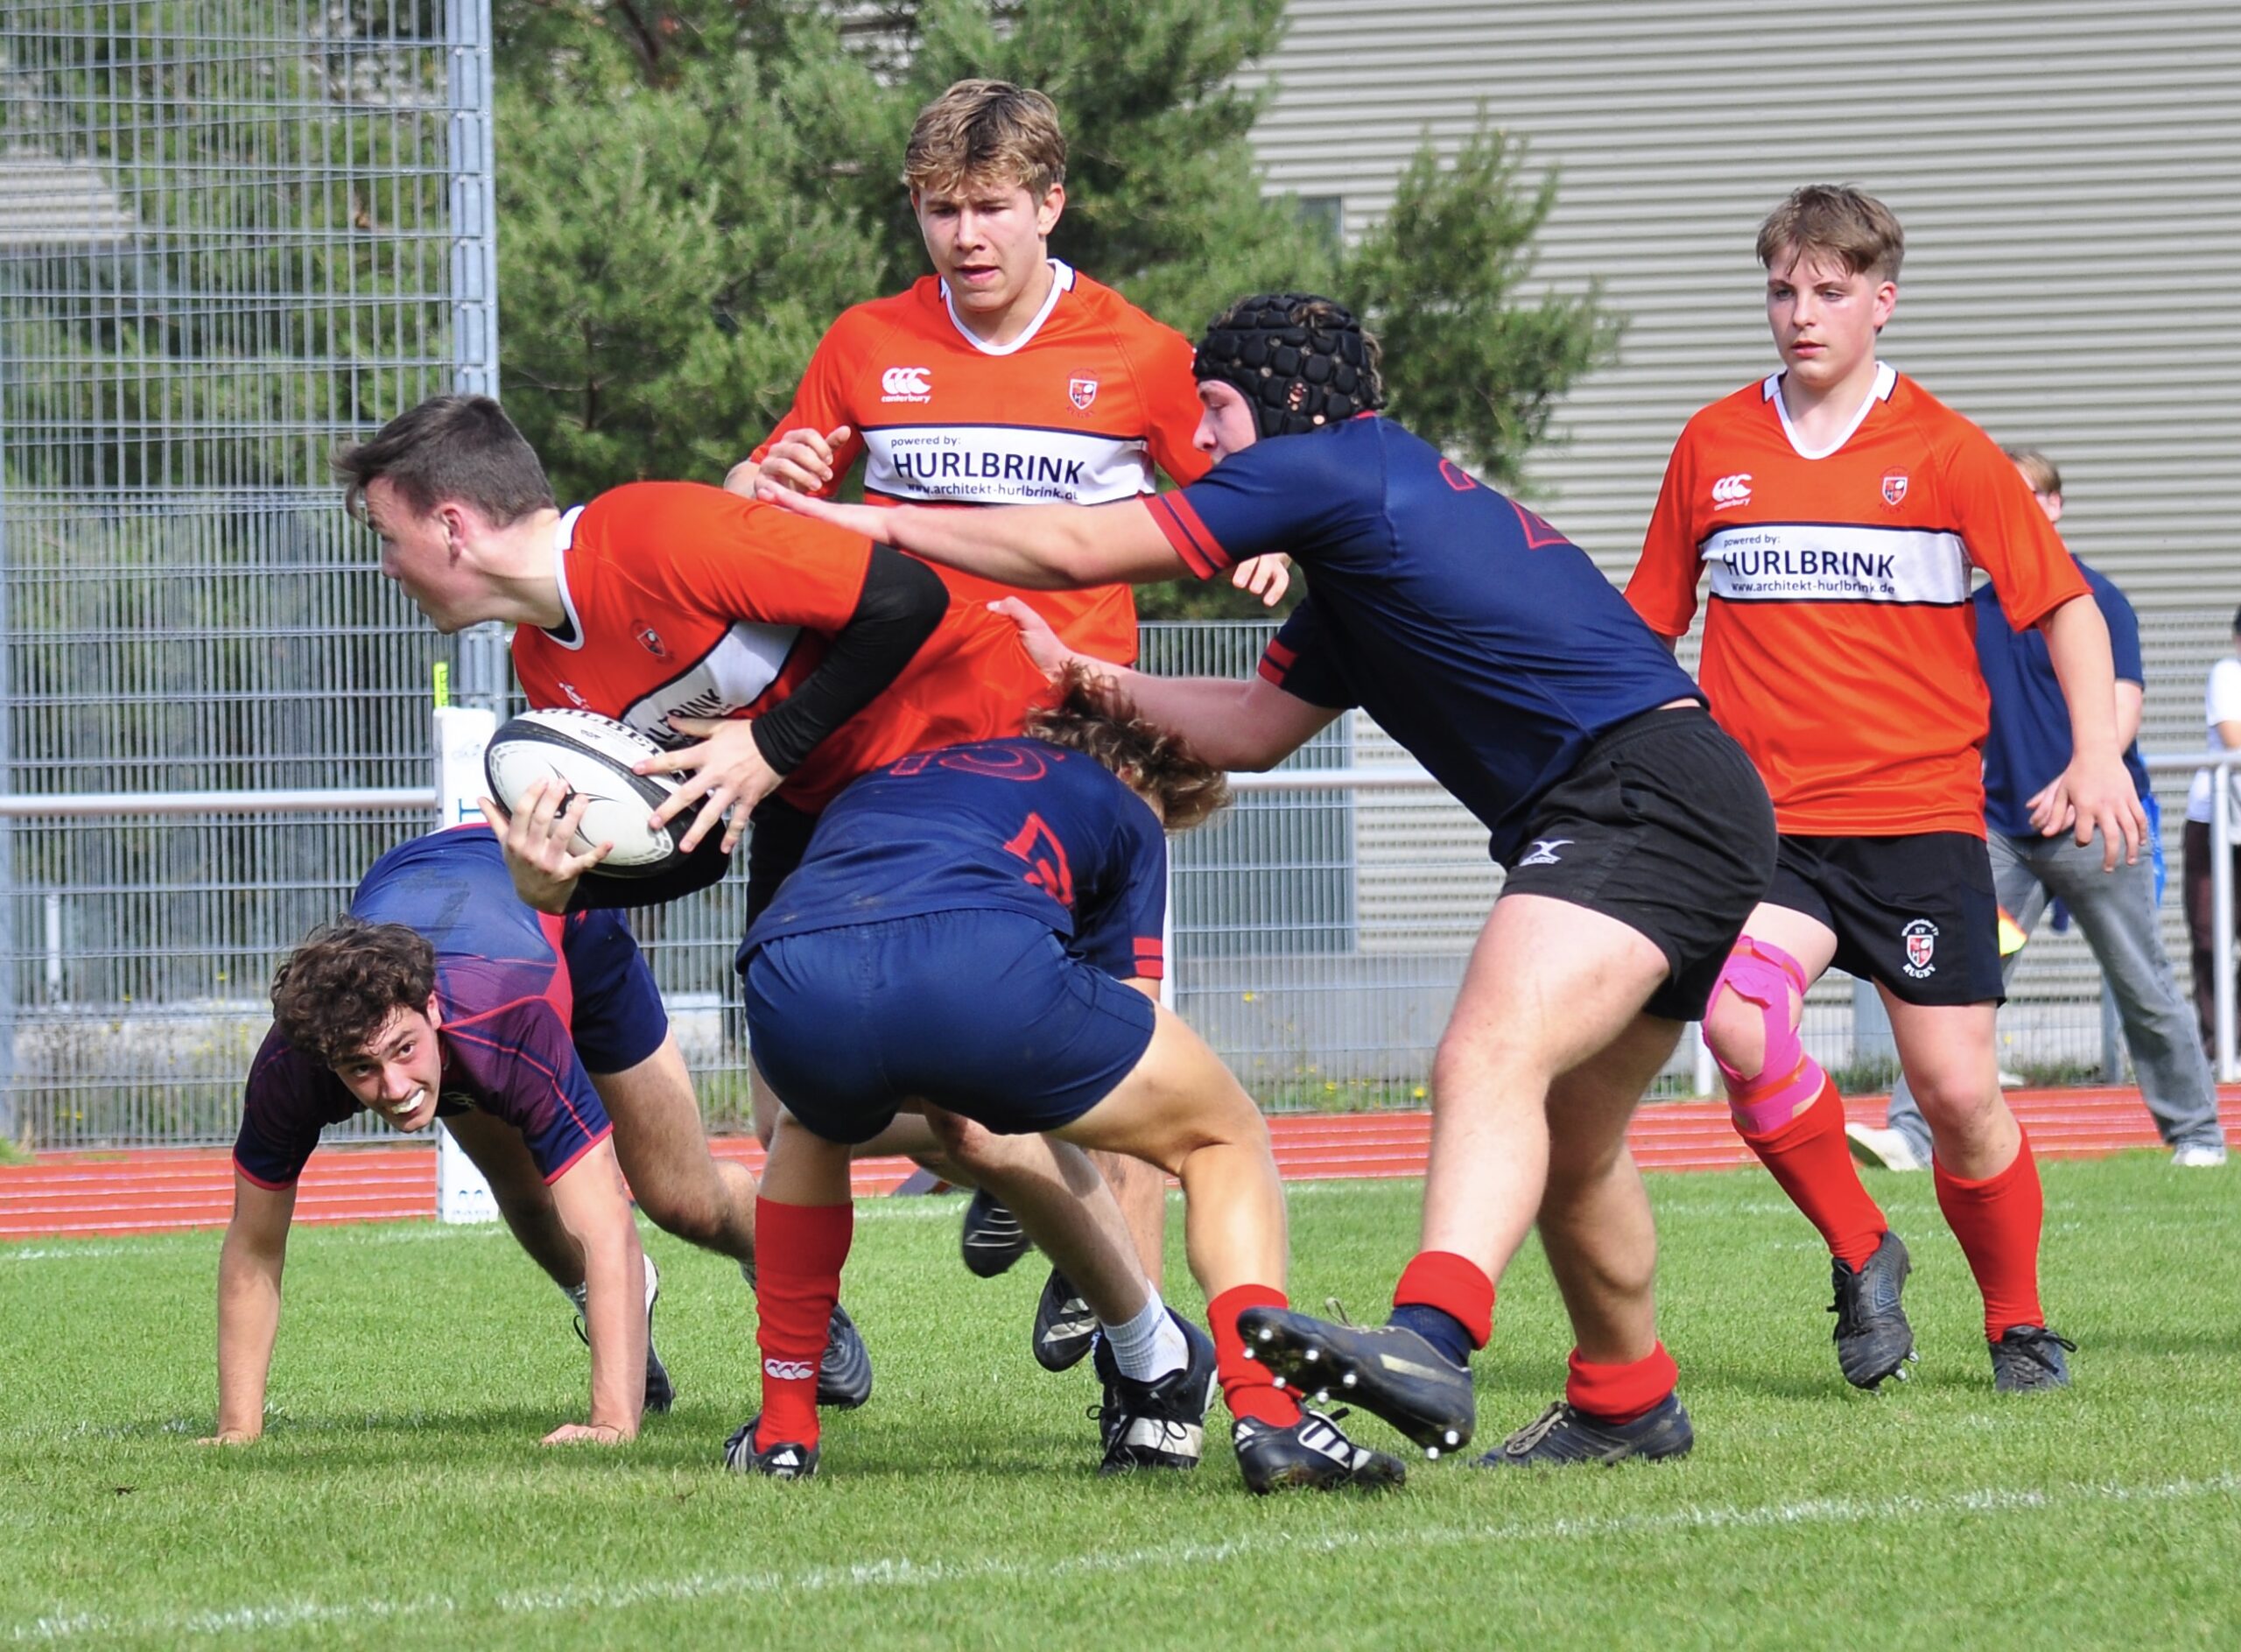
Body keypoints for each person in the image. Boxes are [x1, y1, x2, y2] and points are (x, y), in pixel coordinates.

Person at [761, 292, 1780, 1468]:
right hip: (1669, 793)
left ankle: (1429, 1339)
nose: (1204, 439)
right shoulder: (1362, 550)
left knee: (1487, 1055)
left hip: (1634, 790)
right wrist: (1083, 675)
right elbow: (1249, 727)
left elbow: (1080, 546)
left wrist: (875, 523)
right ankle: (1626, 1395)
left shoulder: (1330, 466)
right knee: (1568, 1135)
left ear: (1288, 403)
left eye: (1216, 410)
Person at [335, 394, 1163, 1447]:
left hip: (965, 755)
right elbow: (695, 843)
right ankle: (1061, 1204)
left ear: (452, 524)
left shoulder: (655, 533)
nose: (387, 565)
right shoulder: (548, 669)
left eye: (387, 534)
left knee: (981, 1117)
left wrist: (770, 744)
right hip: (827, 813)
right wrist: (566, 889)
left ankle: (1146, 1363)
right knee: (795, 1110)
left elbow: (905, 599)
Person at [723, 79, 1286, 1340]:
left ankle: (1140, 1368)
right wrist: (761, 473)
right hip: (889, 764)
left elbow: (1239, 492)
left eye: (990, 207)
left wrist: (1263, 543)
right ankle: (1017, 1159)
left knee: (1135, 1046)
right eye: (941, 210)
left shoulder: (1139, 353)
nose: (966, 235)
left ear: (1049, 205)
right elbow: (763, 505)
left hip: (1066, 756)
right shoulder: (865, 342)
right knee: (790, 1102)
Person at [1626, 187, 2146, 1395]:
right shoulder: (1713, 443)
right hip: (1764, 828)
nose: (1800, 314)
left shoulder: (1949, 452)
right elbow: (1646, 626)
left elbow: (2065, 606)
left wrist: (2095, 753)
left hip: (1918, 824)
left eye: (1828, 290)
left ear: (1882, 300)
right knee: (1740, 1023)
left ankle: (2019, 1323)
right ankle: (1863, 1247)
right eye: (1781, 291)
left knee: (1957, 1094)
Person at [733, 669, 1402, 1494]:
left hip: (791, 973)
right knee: (1219, 1131)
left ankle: (784, 1432)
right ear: (1135, 769)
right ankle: (1269, 1410)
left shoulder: (897, 772)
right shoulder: (1122, 799)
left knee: (806, 1126)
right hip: (980, 963)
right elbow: (1133, 1018)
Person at [206, 826, 712, 1445]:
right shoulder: (291, 1065)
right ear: (326, 1058)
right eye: (361, 1068)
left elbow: (607, 1223)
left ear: (432, 1009)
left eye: (403, 1050)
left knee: (683, 1200)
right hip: (416, 874)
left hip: (561, 911)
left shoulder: (512, 1022)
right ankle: (617, 1308)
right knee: (525, 1195)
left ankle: (785, 1277)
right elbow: (255, 1246)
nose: (395, 1087)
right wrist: (237, 1432)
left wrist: (610, 1424)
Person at [1850, 451, 2226, 1171]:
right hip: (2001, 835)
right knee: (1956, 983)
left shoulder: (2096, 598)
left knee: (2140, 981)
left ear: (2054, 505)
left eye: (2025, 495)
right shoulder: (1971, 608)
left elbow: (2123, 705)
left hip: (2095, 826)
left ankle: (2198, 1134)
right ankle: (1911, 1134)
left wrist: (2081, 775)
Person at [2181, 607, 2241, 1067]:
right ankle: (2219, 1046)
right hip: (2216, 821)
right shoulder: (2228, 674)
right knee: (2210, 937)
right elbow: (2234, 738)